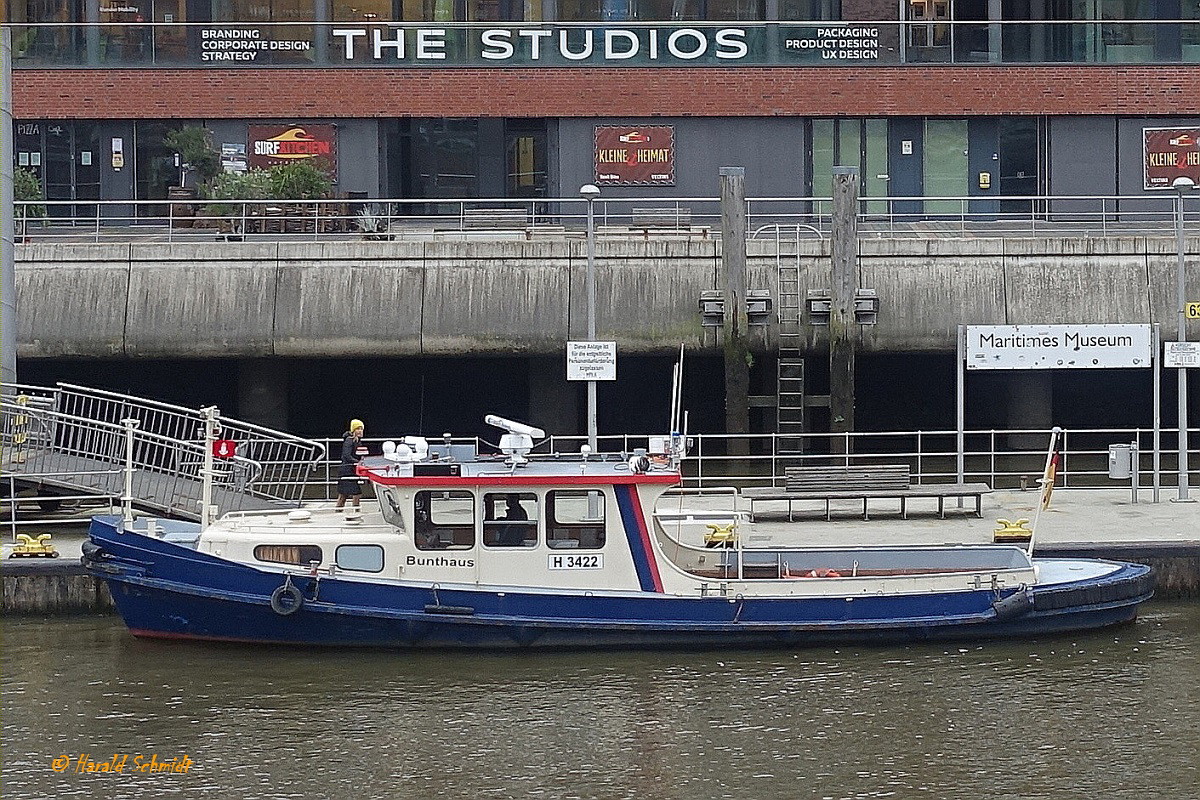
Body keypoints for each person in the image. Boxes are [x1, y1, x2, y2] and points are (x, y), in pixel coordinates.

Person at [335, 419, 367, 511]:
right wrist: (358, 462)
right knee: (355, 493)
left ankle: (339, 511)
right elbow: (346, 455)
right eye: (358, 429)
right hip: (346, 471)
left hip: (351, 470)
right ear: (353, 430)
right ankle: (356, 512)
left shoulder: (357, 441)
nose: (360, 431)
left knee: (343, 495)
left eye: (361, 429)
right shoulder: (349, 441)